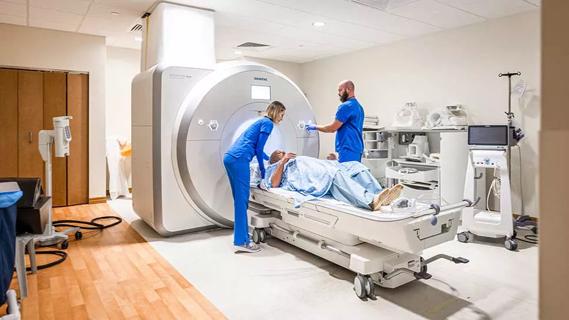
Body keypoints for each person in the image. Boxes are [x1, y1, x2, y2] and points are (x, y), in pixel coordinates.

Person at [224, 101, 286, 253]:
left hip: (230, 157)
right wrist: (264, 171)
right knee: (241, 201)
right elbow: (258, 149)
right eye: (282, 114)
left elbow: (256, 148)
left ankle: (242, 238)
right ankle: (242, 241)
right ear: (276, 112)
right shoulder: (268, 124)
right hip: (240, 160)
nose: (283, 118)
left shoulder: (261, 121)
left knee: (239, 201)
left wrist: (267, 159)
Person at [264, 150, 403, 211]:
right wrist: (283, 161)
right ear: (275, 160)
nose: (284, 153)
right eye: (280, 153)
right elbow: (274, 185)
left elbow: (314, 164)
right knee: (334, 174)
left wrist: (330, 161)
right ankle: (370, 201)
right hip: (315, 175)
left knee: (356, 166)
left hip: (324, 167)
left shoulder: (296, 159)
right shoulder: (278, 168)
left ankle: (381, 195)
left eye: (283, 152)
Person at [306, 80, 364, 163]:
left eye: (340, 90)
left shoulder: (346, 106)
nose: (338, 93)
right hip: (356, 148)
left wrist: (314, 126)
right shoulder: (358, 107)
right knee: (351, 173)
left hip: (348, 148)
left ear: (348, 89)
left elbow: (332, 128)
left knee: (345, 174)